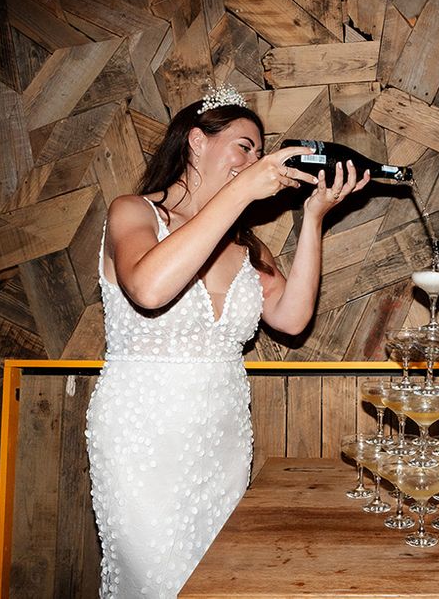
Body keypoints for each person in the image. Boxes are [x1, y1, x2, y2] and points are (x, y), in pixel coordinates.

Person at [85, 84, 369, 597]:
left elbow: (291, 316)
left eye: (260, 153)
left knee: (217, 580)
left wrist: (314, 219)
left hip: (223, 438)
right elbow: (149, 288)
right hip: (143, 439)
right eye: (245, 146)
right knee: (156, 579)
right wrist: (245, 188)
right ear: (196, 141)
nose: (255, 160)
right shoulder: (133, 213)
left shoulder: (245, 246)